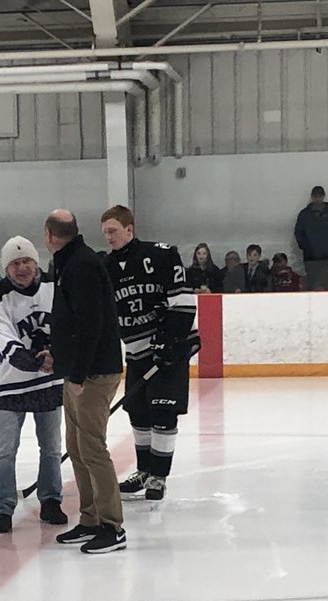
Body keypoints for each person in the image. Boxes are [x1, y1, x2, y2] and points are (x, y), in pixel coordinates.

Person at [101, 204, 198, 506]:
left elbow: (182, 301)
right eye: (104, 233)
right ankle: (143, 471)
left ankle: (159, 476)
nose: (108, 237)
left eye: (113, 231)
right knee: (138, 412)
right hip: (136, 353)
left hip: (167, 351)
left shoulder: (161, 255)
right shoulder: (104, 266)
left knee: (162, 412)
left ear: (130, 229)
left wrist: (170, 340)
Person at [46, 209, 125, 554]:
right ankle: (90, 518)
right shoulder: (67, 262)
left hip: (93, 374)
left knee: (92, 447)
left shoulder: (82, 265)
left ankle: (112, 526)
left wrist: (77, 373)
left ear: (49, 235)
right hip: (77, 372)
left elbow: (90, 324)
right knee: (77, 448)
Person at [0, 236, 67, 534]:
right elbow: (6, 340)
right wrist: (37, 360)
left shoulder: (53, 287)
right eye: (15, 263)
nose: (23, 268)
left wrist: (58, 354)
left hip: (48, 381)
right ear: (6, 268)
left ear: (36, 262)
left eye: (27, 261)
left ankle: (51, 500)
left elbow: (66, 324)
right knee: (6, 449)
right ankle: (3, 507)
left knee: (51, 447)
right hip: (13, 384)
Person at [294, 185, 328, 291]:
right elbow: (298, 232)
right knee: (311, 282)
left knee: (326, 283)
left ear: (323, 197)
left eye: (319, 196)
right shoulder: (304, 214)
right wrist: (305, 247)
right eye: (315, 196)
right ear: (312, 197)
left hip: (326, 256)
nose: (317, 198)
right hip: (309, 256)